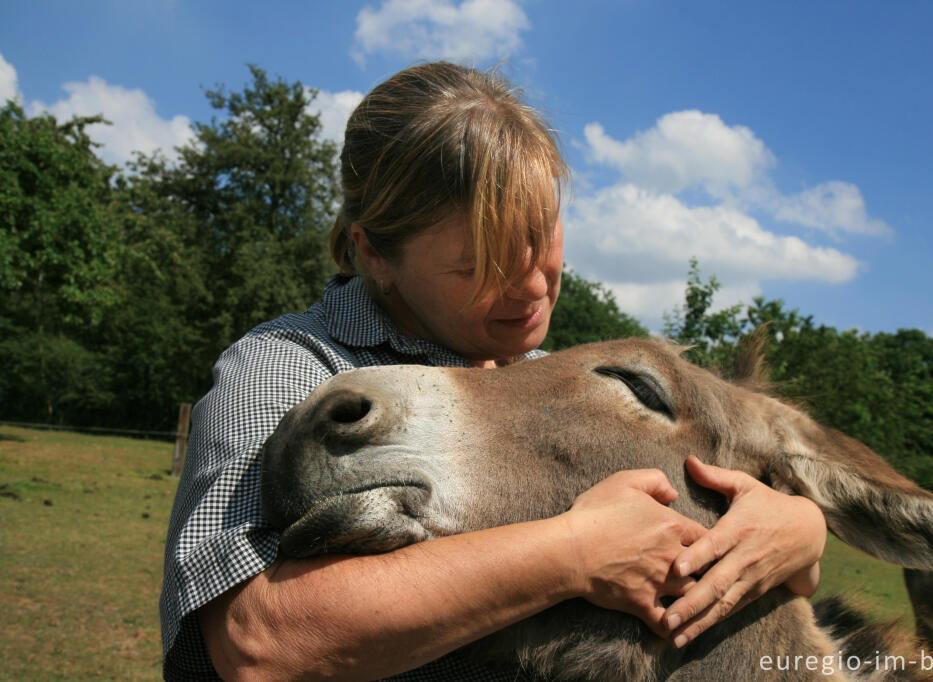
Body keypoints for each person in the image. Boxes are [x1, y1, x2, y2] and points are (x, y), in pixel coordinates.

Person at [159, 61, 827, 681]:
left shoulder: (536, 376)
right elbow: (257, 642)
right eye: (478, 264)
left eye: (542, 237)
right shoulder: (283, 369)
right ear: (375, 254)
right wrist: (572, 553)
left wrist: (797, 527)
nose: (532, 288)